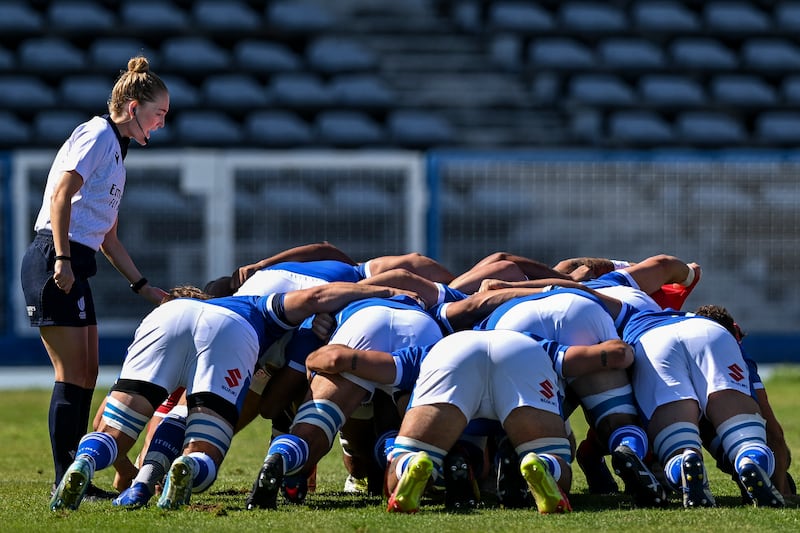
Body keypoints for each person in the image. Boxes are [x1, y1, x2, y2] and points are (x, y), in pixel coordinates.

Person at [48, 281, 414, 511]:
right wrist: (378, 290)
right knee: (205, 448)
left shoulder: (209, 299)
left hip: (164, 319)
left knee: (118, 429)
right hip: (231, 331)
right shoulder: (259, 304)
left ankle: (84, 462)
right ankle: (188, 467)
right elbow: (316, 297)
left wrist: (134, 474)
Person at [20, 55, 169, 501]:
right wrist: (62, 259)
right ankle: (65, 479)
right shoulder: (98, 133)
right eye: (158, 113)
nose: (161, 123)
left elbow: (109, 238)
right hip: (54, 257)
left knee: (86, 373)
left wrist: (144, 287)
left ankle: (75, 477)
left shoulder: (117, 151)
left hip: (75, 259)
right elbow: (61, 196)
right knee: (72, 373)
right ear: (131, 106)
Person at [620, 306, 786, 508]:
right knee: (743, 436)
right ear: (735, 330)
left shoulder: (637, 304)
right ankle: (749, 457)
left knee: (676, 441)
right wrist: (781, 487)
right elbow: (773, 431)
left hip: (650, 340)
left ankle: (682, 462)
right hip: (711, 335)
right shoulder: (727, 339)